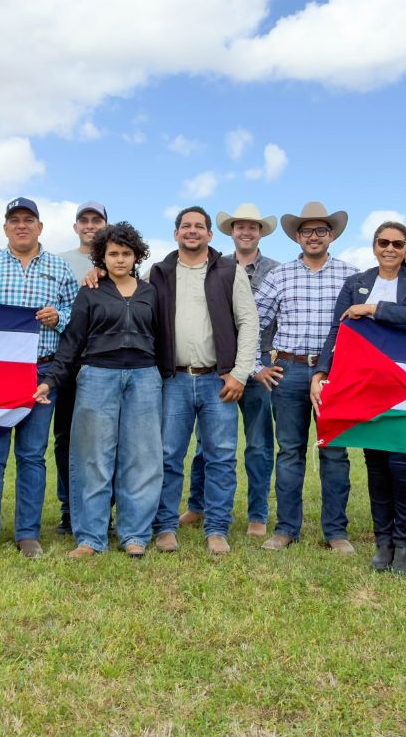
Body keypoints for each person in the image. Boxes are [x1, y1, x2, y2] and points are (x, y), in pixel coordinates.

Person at [312, 221, 406, 574]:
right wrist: (321, 371)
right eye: (383, 242)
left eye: (398, 243)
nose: (390, 248)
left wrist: (372, 309)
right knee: (377, 465)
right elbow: (338, 330)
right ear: (374, 246)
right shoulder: (356, 283)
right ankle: (384, 543)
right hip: (367, 385)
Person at [34, 223, 161, 558]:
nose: (120, 259)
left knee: (142, 458)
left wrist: (164, 377)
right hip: (97, 377)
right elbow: (72, 341)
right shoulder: (90, 292)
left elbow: (162, 339)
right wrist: (51, 380)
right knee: (92, 458)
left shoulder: (150, 293)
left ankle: (134, 534)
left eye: (126, 253)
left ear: (137, 256)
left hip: (144, 378)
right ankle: (90, 538)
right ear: (102, 257)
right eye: (113, 253)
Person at [0, 197, 79, 562]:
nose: (21, 225)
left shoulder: (58, 267)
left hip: (43, 372)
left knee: (32, 455)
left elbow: (77, 315)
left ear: (40, 227)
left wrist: (58, 317)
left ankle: (28, 533)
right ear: (5, 228)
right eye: (14, 220)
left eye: (28, 220)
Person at [150, 206, 259, 556]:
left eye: (199, 226)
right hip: (173, 379)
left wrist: (239, 373)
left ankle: (216, 528)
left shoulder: (229, 270)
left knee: (221, 457)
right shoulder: (159, 272)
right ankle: (165, 527)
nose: (192, 231)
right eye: (186, 226)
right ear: (176, 233)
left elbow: (248, 322)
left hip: (218, 380)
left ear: (210, 234)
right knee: (168, 456)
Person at [254, 201, 358, 553]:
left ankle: (336, 532)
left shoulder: (351, 276)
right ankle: (286, 529)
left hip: (335, 374)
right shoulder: (280, 275)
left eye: (321, 230)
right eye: (307, 231)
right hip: (289, 370)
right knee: (289, 451)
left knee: (335, 452)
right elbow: (254, 321)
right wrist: (256, 365)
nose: (314, 236)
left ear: (332, 235)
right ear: (297, 237)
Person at [181, 203, 280, 539]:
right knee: (207, 443)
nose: (246, 232)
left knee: (258, 444)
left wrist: (259, 365)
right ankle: (198, 505)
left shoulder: (275, 271)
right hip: (217, 365)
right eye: (240, 227)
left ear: (260, 232)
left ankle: (257, 514)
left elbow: (276, 321)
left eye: (253, 227)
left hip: (258, 367)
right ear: (231, 232)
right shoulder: (215, 265)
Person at [53, 200, 108, 535]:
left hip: (106, 363)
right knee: (66, 439)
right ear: (75, 227)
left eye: (96, 220)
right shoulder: (61, 262)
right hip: (70, 362)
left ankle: (104, 509)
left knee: (103, 440)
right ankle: (70, 510)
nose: (90, 226)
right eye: (84, 220)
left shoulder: (119, 260)